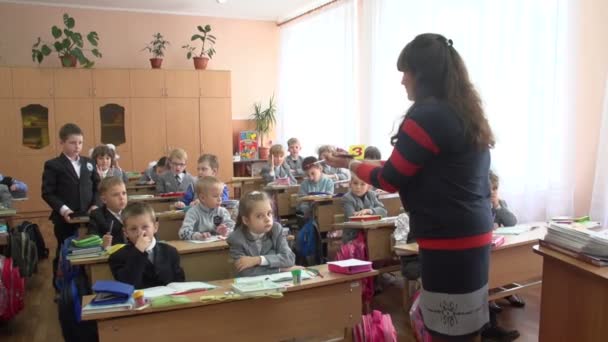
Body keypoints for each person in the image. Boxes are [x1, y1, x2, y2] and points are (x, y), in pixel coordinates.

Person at [325, 33, 495, 341]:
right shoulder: (463, 112)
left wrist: (348, 165)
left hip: (448, 239)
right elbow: (403, 167)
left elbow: (390, 179)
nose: (403, 80)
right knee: (467, 327)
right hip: (475, 233)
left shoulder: (426, 116)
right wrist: (355, 161)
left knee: (446, 329)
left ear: (422, 75)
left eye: (406, 72)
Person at [42, 123, 100, 290]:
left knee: (89, 248)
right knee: (64, 250)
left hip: (89, 215)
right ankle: (61, 287)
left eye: (80, 143)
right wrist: (64, 209)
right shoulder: (53, 165)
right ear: (62, 143)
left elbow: (98, 187)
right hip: (65, 218)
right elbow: (48, 193)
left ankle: (86, 283)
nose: (77, 147)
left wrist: (95, 204)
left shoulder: (88, 163)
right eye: (73, 143)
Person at [109, 202, 185, 289]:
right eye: (133, 229)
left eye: (145, 227)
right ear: (126, 232)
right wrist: (138, 251)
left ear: (155, 227)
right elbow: (128, 285)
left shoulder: (170, 252)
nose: (140, 233)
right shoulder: (117, 257)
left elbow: (180, 283)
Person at [227, 191, 296, 277]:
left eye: (269, 213)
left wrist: (258, 260)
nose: (267, 219)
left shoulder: (276, 229)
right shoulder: (236, 238)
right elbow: (245, 273)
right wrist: (282, 270)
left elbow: (289, 258)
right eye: (260, 216)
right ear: (246, 220)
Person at [488, 170, 525, 314]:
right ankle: (490, 298)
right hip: (485, 249)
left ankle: (508, 292)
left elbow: (512, 222)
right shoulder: (477, 206)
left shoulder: (500, 204)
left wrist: (497, 206)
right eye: (489, 189)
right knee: (491, 267)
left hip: (498, 245)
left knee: (507, 262)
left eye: (495, 189)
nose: (492, 192)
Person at [178, 176, 235, 241]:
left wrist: (227, 231)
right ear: (202, 198)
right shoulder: (193, 212)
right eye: (215, 196)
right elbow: (183, 233)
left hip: (218, 246)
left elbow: (234, 228)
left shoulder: (222, 211)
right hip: (198, 248)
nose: (220, 199)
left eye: (221, 195)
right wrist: (198, 236)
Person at [341, 173, 387, 243]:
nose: (358, 187)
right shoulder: (347, 198)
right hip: (354, 236)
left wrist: (369, 211)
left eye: (363, 184)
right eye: (355, 183)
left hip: (372, 231)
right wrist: (374, 215)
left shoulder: (371, 195)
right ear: (350, 184)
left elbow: (384, 211)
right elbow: (351, 218)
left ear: (368, 186)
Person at [88, 177, 128, 249]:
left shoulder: (133, 211)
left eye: (124, 193)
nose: (122, 197)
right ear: (104, 199)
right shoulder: (97, 215)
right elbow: (93, 239)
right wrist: (102, 243)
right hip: (111, 256)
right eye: (116, 195)